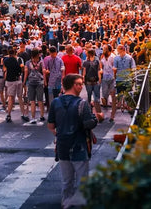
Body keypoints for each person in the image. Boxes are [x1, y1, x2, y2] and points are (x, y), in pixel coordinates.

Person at [47, 74, 98, 209]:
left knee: (67, 180)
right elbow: (89, 124)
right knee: (82, 179)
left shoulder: (55, 102)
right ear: (74, 85)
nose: (82, 86)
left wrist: (60, 133)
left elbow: (51, 126)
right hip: (79, 146)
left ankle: (67, 203)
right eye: (80, 84)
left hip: (62, 146)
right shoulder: (82, 103)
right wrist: (98, 118)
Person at [3, 47, 28, 123]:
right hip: (17, 80)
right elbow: (20, 69)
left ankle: (9, 115)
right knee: (20, 97)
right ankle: (23, 113)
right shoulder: (17, 60)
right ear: (14, 53)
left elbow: (5, 69)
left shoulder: (6, 60)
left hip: (9, 80)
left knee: (11, 98)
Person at [113, 44, 136, 114]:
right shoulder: (129, 58)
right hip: (125, 79)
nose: (117, 51)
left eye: (118, 50)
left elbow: (114, 69)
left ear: (121, 50)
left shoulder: (117, 58)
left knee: (121, 93)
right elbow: (133, 68)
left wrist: (115, 76)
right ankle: (126, 105)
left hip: (121, 78)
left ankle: (122, 105)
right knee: (126, 93)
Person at [26, 49, 46, 124]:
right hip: (39, 82)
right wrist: (45, 81)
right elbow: (43, 72)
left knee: (32, 101)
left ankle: (33, 117)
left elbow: (26, 72)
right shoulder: (41, 62)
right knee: (40, 100)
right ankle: (41, 115)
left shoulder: (28, 62)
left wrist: (24, 81)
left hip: (31, 82)